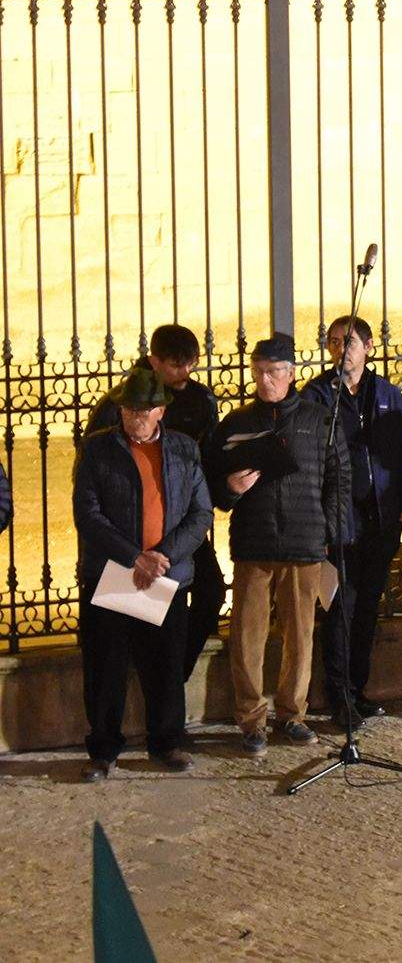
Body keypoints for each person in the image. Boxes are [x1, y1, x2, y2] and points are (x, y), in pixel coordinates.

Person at [206, 333, 350, 755]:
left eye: (272, 372)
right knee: (248, 635)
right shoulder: (236, 424)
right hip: (254, 543)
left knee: (300, 636)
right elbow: (215, 486)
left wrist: (329, 530)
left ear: (290, 374)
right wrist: (230, 487)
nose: (263, 379)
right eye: (257, 371)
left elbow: (340, 480)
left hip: (305, 543)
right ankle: (251, 719)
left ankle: (293, 713)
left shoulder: (320, 419)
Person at [74, 368, 214, 780]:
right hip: (114, 573)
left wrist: (164, 555)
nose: (135, 416)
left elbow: (200, 511)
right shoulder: (98, 450)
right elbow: (88, 514)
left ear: (159, 410)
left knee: (165, 665)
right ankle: (102, 749)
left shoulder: (184, 450)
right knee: (106, 666)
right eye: (128, 408)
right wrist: (135, 556)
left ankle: (167, 742)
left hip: (166, 575)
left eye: (143, 409)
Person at [89, 323, 223, 681]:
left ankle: (172, 676)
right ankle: (152, 677)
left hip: (182, 525)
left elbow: (208, 458)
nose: (186, 372)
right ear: (154, 360)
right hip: (129, 530)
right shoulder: (118, 403)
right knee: (126, 619)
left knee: (210, 593)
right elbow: (94, 466)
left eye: (191, 363)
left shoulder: (201, 398)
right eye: (176, 364)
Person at [300, 315, 402, 725]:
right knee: (340, 611)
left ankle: (358, 688)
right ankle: (338, 697)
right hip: (340, 523)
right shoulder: (317, 396)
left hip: (382, 519)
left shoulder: (387, 394)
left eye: (348, 341)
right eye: (332, 342)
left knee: (367, 608)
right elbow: (309, 462)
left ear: (368, 347)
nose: (339, 349)